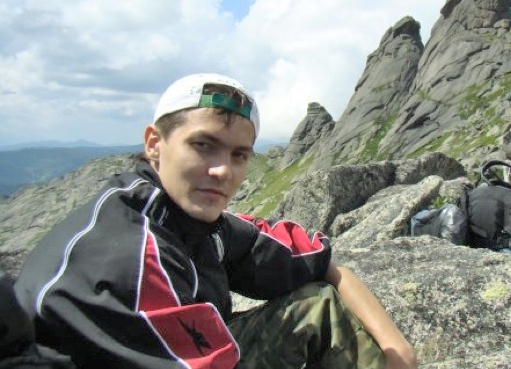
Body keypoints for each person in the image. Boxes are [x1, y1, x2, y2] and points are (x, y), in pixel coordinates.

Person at [14, 73, 417, 369]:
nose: (223, 171)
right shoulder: (128, 260)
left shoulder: (199, 221)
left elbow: (326, 267)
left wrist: (398, 351)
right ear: (154, 144)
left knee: (317, 304)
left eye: (239, 155)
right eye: (203, 145)